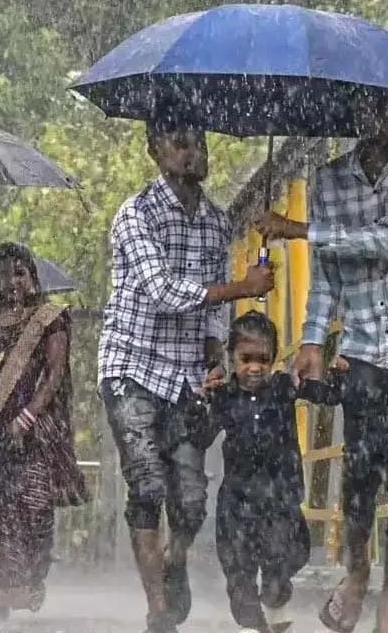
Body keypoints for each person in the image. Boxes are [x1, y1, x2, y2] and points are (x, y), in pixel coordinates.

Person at [258, 100, 388, 633]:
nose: (382, 116)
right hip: (364, 348)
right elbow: (327, 275)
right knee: (361, 474)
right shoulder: (329, 181)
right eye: (370, 106)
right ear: (355, 113)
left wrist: (297, 229)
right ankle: (358, 574)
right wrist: (312, 340)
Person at [99, 117, 274, 633]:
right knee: (149, 486)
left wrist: (217, 356)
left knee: (193, 500)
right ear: (155, 150)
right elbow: (164, 291)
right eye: (180, 143)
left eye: (200, 143)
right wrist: (244, 288)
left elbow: (211, 312)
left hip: (185, 375)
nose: (193, 153)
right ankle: (158, 611)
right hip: (131, 366)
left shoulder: (218, 224)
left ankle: (173, 564)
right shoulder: (136, 215)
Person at [0, 243, 89, 618]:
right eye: (4, 273)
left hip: (35, 429)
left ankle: (32, 579)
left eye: (20, 272)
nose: (12, 280)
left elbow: (54, 374)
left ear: (32, 277)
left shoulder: (49, 316)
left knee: (32, 509)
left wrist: (26, 417)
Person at [203, 312, 315, 633]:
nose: (255, 367)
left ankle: (276, 597)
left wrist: (332, 376)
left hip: (281, 500)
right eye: (246, 359)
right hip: (237, 503)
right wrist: (202, 402)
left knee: (284, 561)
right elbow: (200, 436)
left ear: (275, 358)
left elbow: (322, 392)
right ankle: (251, 625)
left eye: (263, 359)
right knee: (238, 570)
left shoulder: (283, 387)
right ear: (232, 359)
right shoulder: (224, 396)